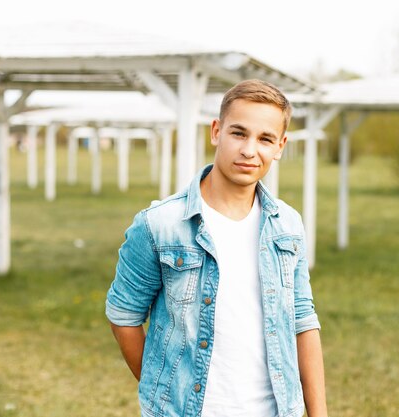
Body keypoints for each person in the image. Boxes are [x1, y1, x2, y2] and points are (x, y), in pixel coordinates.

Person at [105, 79, 327, 417]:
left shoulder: (288, 225)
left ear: (280, 146)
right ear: (216, 132)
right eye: (239, 133)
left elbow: (302, 321)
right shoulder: (159, 224)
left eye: (265, 139)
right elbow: (124, 316)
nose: (250, 150)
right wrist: (165, 392)